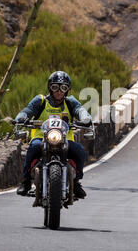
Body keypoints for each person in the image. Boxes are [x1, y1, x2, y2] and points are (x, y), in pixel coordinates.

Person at [14, 71, 92, 199]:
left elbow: (81, 110)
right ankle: (26, 181)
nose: (59, 91)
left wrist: (85, 119)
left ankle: (76, 181)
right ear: (50, 87)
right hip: (41, 137)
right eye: (55, 87)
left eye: (63, 88)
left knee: (80, 151)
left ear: (67, 90)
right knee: (33, 148)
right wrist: (22, 117)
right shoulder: (41, 101)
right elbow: (27, 110)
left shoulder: (71, 102)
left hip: (65, 139)